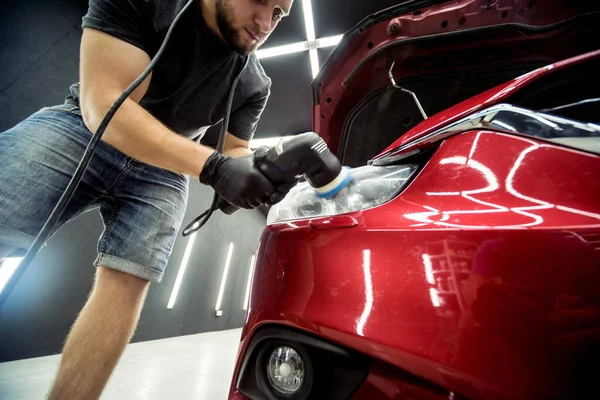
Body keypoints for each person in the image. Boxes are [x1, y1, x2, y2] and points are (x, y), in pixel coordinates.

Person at [0, 0, 295, 398]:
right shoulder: (146, 4)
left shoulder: (254, 82)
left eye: (278, 13)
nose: (265, 23)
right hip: (85, 129)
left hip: (166, 170)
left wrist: (256, 171)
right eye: (260, 1)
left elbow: (234, 146)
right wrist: (215, 169)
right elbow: (105, 104)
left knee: (130, 278)